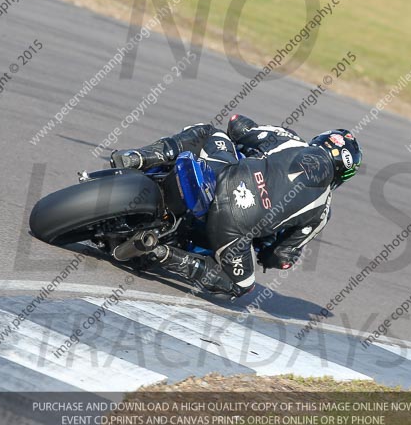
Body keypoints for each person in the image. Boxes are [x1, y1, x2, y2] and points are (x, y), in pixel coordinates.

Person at [108, 114, 362, 299]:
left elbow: (238, 127)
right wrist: (278, 257)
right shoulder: (322, 212)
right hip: (233, 229)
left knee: (208, 132)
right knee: (242, 286)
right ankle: (163, 254)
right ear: (343, 176)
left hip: (222, 177)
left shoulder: (290, 140)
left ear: (320, 141)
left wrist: (243, 125)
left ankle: (139, 157)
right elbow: (279, 254)